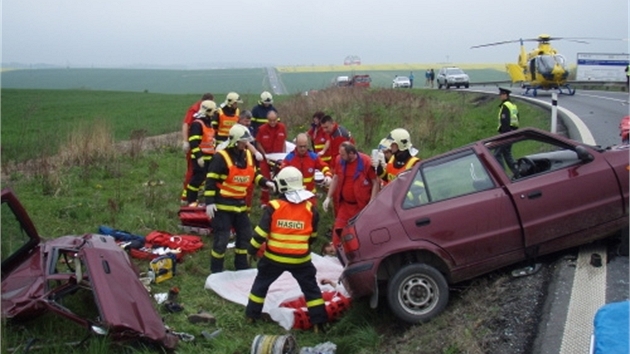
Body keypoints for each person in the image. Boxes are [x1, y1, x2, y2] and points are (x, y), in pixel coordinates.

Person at [245, 167, 327, 332]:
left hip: (273, 258)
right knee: (311, 289)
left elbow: (260, 233)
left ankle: (251, 316)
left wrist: (251, 251)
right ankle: (319, 323)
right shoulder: (310, 209)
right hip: (301, 260)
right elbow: (313, 237)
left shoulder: (274, 206)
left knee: (260, 285)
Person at [204, 124, 276, 273]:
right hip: (222, 206)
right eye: (244, 141)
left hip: (240, 205)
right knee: (221, 240)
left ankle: (241, 267)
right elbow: (210, 180)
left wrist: (266, 182)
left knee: (245, 236)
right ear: (235, 141)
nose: (246, 144)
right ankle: (216, 270)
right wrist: (209, 203)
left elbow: (254, 175)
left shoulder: (247, 155)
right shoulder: (221, 157)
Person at [322, 142, 379, 247]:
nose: (340, 156)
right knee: (337, 234)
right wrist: (328, 197)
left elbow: (375, 182)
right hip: (345, 205)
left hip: (360, 207)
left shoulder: (365, 162)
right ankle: (337, 257)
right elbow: (336, 177)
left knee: (357, 237)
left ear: (352, 153)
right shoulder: (340, 160)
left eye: (343, 154)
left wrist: (372, 202)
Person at [181, 93, 214, 202]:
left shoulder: (208, 122)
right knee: (196, 178)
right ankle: (190, 199)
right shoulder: (198, 123)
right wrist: (199, 156)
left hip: (208, 157)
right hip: (200, 157)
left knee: (202, 178)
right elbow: (194, 142)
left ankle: (194, 199)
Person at [280, 133, 332, 203]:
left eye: (305, 146)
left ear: (307, 145)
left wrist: (328, 176)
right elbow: (282, 173)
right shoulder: (289, 158)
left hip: (309, 194)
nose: (303, 149)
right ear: (296, 145)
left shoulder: (313, 157)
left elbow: (324, 166)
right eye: (300, 146)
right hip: (295, 196)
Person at [256, 110, 287, 207]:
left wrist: (284, 155)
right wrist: (264, 155)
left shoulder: (282, 127)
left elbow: (284, 141)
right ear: (267, 120)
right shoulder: (262, 129)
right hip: (266, 158)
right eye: (270, 120)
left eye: (274, 120)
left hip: (279, 158)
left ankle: (282, 200)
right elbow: (258, 143)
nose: (273, 122)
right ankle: (264, 201)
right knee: (266, 179)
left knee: (281, 179)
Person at [237, 110, 264, 212]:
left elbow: (253, 142)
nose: (248, 123)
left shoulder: (251, 129)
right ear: (240, 119)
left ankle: (247, 210)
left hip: (250, 159)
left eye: (249, 121)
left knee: (250, 186)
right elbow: (247, 143)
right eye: (246, 121)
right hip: (238, 159)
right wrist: (256, 152)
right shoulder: (237, 130)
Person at [494, 87, 520, 176]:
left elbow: (505, 121)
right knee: (507, 153)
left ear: (505, 95)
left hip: (506, 133)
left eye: (501, 94)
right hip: (513, 132)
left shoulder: (505, 106)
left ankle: (502, 175)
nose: (500, 96)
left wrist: (504, 135)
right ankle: (517, 172)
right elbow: (517, 118)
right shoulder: (513, 105)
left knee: (497, 154)